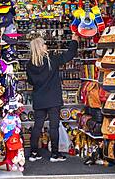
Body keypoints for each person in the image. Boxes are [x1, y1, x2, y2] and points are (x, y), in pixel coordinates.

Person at [26, 34, 79, 162]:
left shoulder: (29, 65)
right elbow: (69, 55)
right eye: (44, 44)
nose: (46, 46)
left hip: (39, 98)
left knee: (37, 125)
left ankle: (33, 153)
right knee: (54, 126)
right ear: (40, 47)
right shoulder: (51, 60)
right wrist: (74, 41)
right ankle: (54, 154)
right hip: (53, 98)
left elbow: (31, 82)